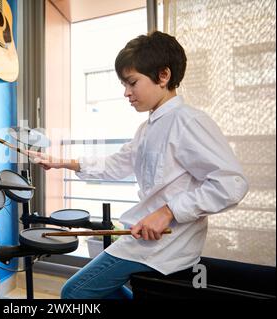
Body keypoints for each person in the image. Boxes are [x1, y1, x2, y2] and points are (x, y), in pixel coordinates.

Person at [27, 31, 249, 299]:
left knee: (75, 293)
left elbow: (232, 183)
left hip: (164, 246)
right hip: (142, 241)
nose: (126, 93)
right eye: (124, 84)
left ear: (163, 76)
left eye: (132, 83)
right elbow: (116, 165)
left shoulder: (188, 121)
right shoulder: (147, 128)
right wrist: (61, 162)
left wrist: (168, 211)